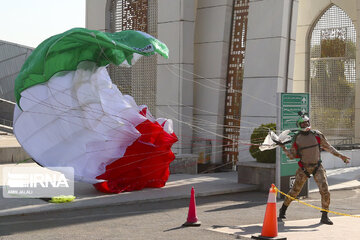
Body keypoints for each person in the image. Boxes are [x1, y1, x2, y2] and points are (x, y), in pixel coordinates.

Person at [278, 112, 350, 225]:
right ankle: (283, 210)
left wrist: (341, 156)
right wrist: (283, 148)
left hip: (318, 167)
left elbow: (329, 147)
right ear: (299, 125)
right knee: (294, 192)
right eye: (303, 123)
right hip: (304, 168)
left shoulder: (317, 135)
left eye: (307, 122)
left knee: (325, 191)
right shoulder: (297, 138)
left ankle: (324, 216)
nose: (306, 124)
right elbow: (292, 156)